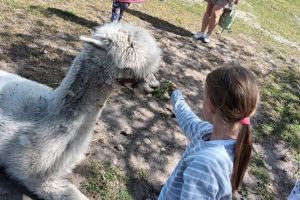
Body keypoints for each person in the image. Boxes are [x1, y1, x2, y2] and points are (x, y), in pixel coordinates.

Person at [158, 65, 260, 199]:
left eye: (204, 96)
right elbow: (189, 120)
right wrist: (176, 96)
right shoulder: (215, 135)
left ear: (211, 105)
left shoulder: (205, 165)